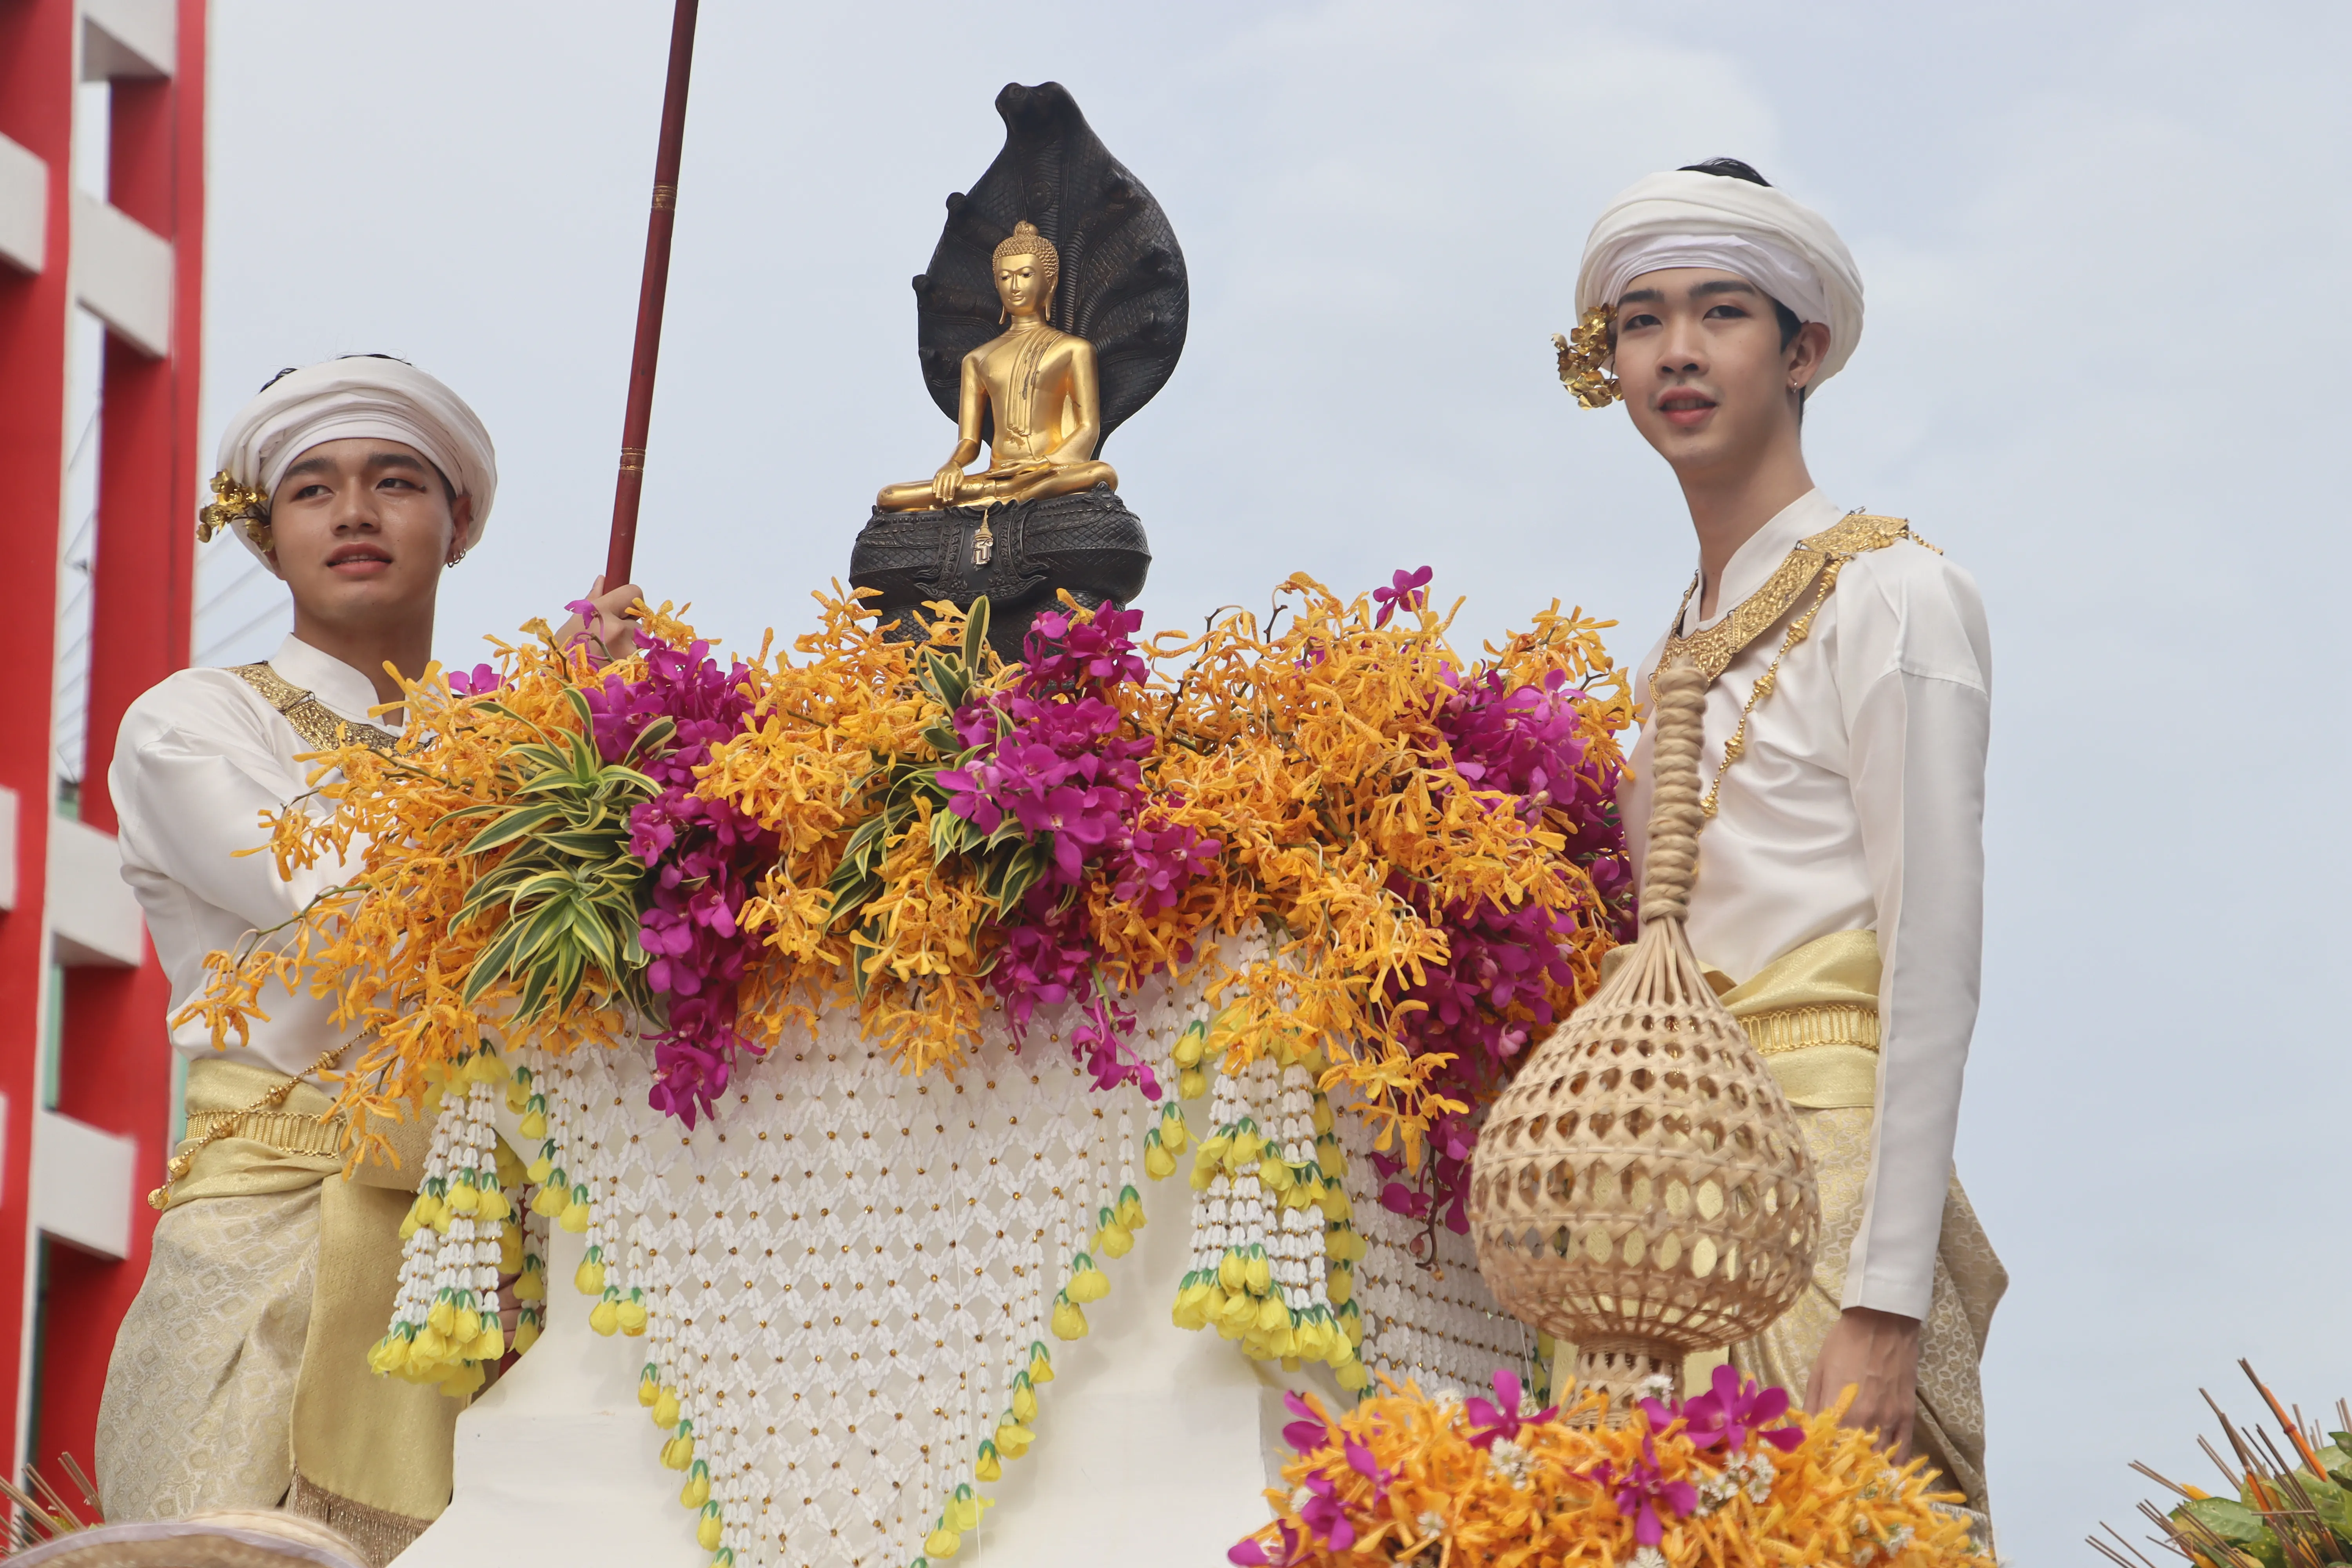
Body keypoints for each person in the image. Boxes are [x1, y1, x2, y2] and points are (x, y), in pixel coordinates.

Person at [92, 356, 642, 1564]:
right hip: (265, 1237)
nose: (352, 513)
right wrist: (550, 734)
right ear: (267, 534)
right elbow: (346, 891)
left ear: (458, 527)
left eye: (395, 482)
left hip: (493, 1243)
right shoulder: (191, 723)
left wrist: (604, 752)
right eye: (312, 489)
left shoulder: (540, 749)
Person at [1576, 160, 2006, 1528]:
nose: (1678, 355)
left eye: (1722, 315)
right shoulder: (1664, 662)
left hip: (1825, 1186)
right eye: (1642, 321)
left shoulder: (1896, 596)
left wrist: (1884, 1303)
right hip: (1656, 1208)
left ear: (1803, 346)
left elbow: (1932, 961)